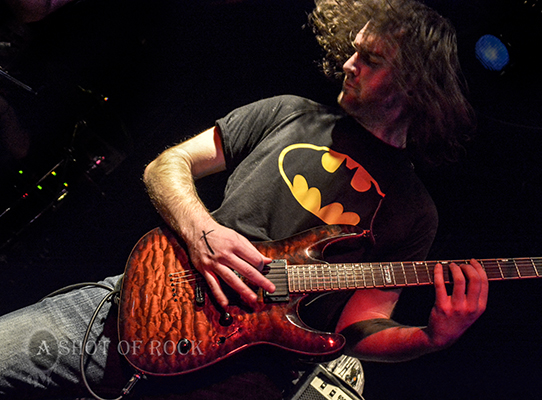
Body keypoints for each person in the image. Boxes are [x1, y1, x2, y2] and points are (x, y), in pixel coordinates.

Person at [0, 0, 488, 398]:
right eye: (354, 50)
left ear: (413, 83)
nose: (348, 64)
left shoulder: (415, 211)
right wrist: (202, 231)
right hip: (145, 299)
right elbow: (167, 165)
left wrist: (428, 339)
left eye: (371, 59)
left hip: (243, 373)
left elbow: (360, 323)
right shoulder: (288, 113)